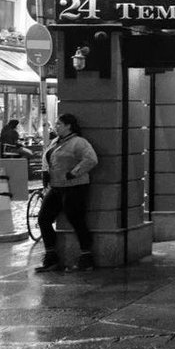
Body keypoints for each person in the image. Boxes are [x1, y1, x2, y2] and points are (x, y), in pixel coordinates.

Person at [35, 114, 99, 273]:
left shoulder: (79, 142)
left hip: (75, 187)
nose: (56, 126)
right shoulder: (55, 142)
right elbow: (48, 159)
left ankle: (86, 257)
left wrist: (74, 173)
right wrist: (45, 175)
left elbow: (91, 159)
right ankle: (51, 257)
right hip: (56, 187)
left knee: (76, 219)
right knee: (43, 218)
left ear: (69, 126)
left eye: (59, 124)